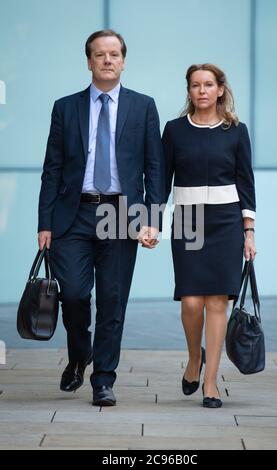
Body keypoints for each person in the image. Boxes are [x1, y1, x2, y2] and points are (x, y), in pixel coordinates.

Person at [38, 30, 164, 406]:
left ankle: (103, 379)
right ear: (89, 61)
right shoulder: (66, 107)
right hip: (73, 214)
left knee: (113, 300)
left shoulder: (143, 106)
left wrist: (152, 217)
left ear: (123, 60)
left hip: (122, 213)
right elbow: (53, 168)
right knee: (74, 295)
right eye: (100, 54)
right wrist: (44, 222)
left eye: (114, 54)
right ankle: (80, 355)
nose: (108, 60)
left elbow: (154, 167)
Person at [162, 64, 257, 408]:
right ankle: (193, 358)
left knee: (218, 302)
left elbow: (246, 182)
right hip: (187, 220)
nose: (202, 90)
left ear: (220, 90)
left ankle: (212, 382)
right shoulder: (173, 130)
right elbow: (161, 179)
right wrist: (149, 221)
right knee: (190, 301)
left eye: (208, 85)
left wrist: (249, 230)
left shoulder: (236, 131)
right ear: (188, 91)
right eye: (195, 85)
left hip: (226, 223)